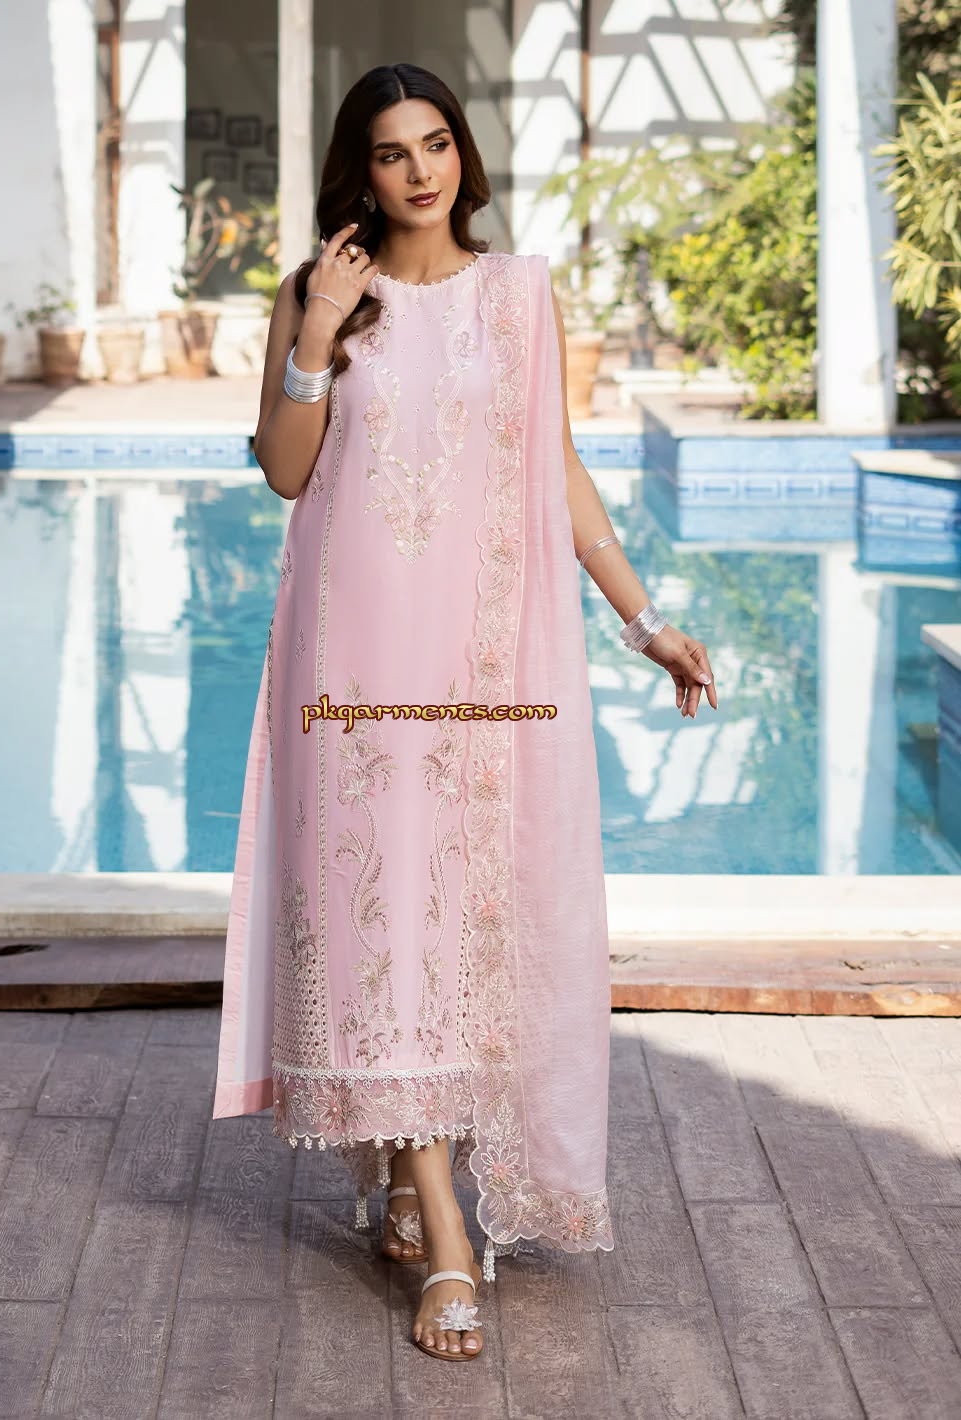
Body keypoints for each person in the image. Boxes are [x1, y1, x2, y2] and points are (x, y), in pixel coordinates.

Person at [213, 62, 718, 1363]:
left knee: (446, 921)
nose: (420, 170)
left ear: (463, 155)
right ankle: (443, 1228)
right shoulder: (320, 292)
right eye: (392, 153)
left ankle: (407, 1173)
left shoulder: (517, 295)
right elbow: (284, 474)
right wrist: (319, 334)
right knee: (380, 915)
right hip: (349, 660)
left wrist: (641, 621)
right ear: (361, 171)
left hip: (479, 666)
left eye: (435, 143)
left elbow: (558, 475)